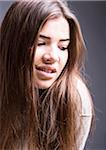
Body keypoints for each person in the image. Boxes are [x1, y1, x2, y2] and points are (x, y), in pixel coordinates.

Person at [0, 0, 94, 149]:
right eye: (41, 43)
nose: (53, 57)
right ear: (13, 43)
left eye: (63, 47)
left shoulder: (74, 99)